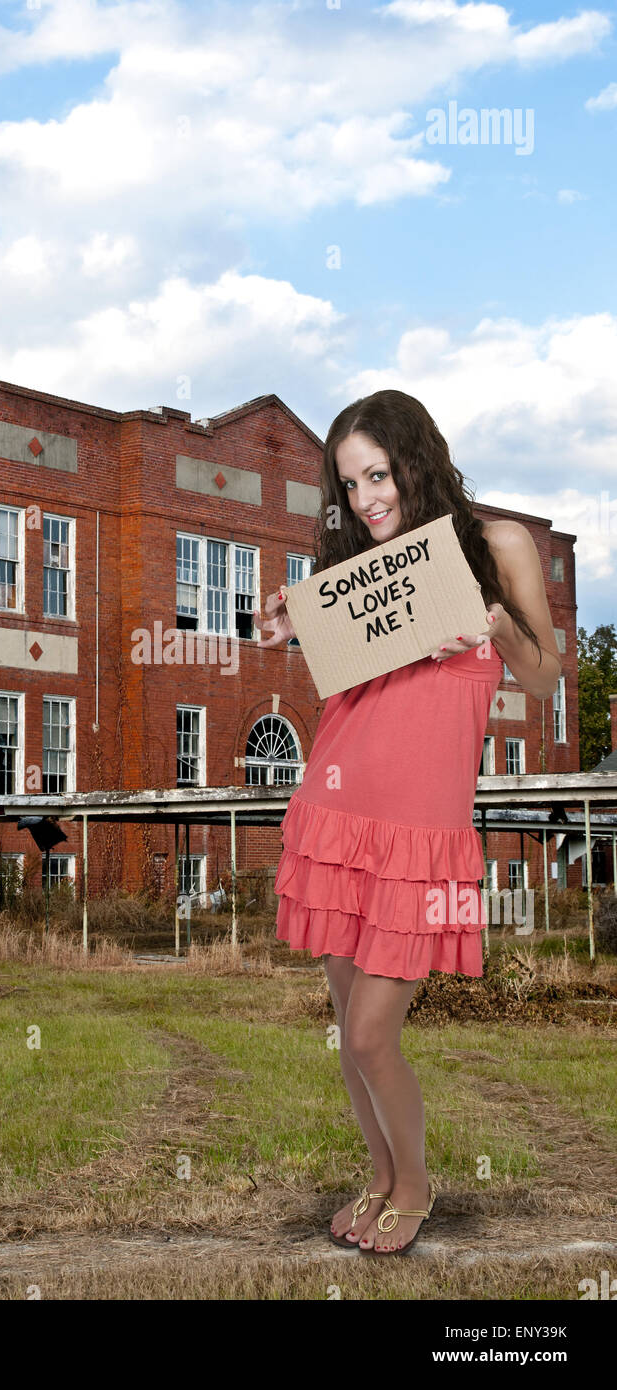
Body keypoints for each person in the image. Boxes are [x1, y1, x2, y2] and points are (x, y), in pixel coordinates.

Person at [258, 389, 562, 1256]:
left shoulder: (495, 547)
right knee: (347, 1038)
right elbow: (283, 644)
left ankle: (416, 1186)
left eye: (378, 475)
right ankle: (381, 1177)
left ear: (414, 460)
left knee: (369, 1033)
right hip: (336, 820)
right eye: (349, 485)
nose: (366, 500)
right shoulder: (356, 570)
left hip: (421, 842)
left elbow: (543, 681)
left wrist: (494, 626)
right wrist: (278, 623)